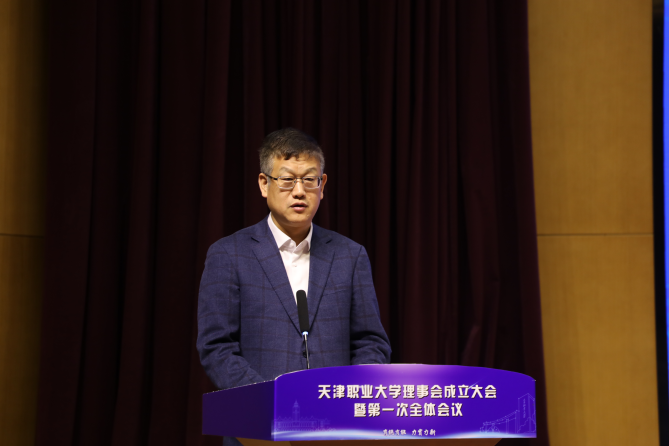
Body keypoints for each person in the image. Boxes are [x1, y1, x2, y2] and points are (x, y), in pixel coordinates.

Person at [197, 128, 391, 396]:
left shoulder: (350, 255)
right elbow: (217, 347)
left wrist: (350, 394)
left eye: (309, 180)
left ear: (322, 186)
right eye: (287, 180)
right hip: (259, 415)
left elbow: (370, 342)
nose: (299, 191)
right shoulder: (229, 254)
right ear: (264, 184)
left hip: (334, 414)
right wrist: (269, 397)